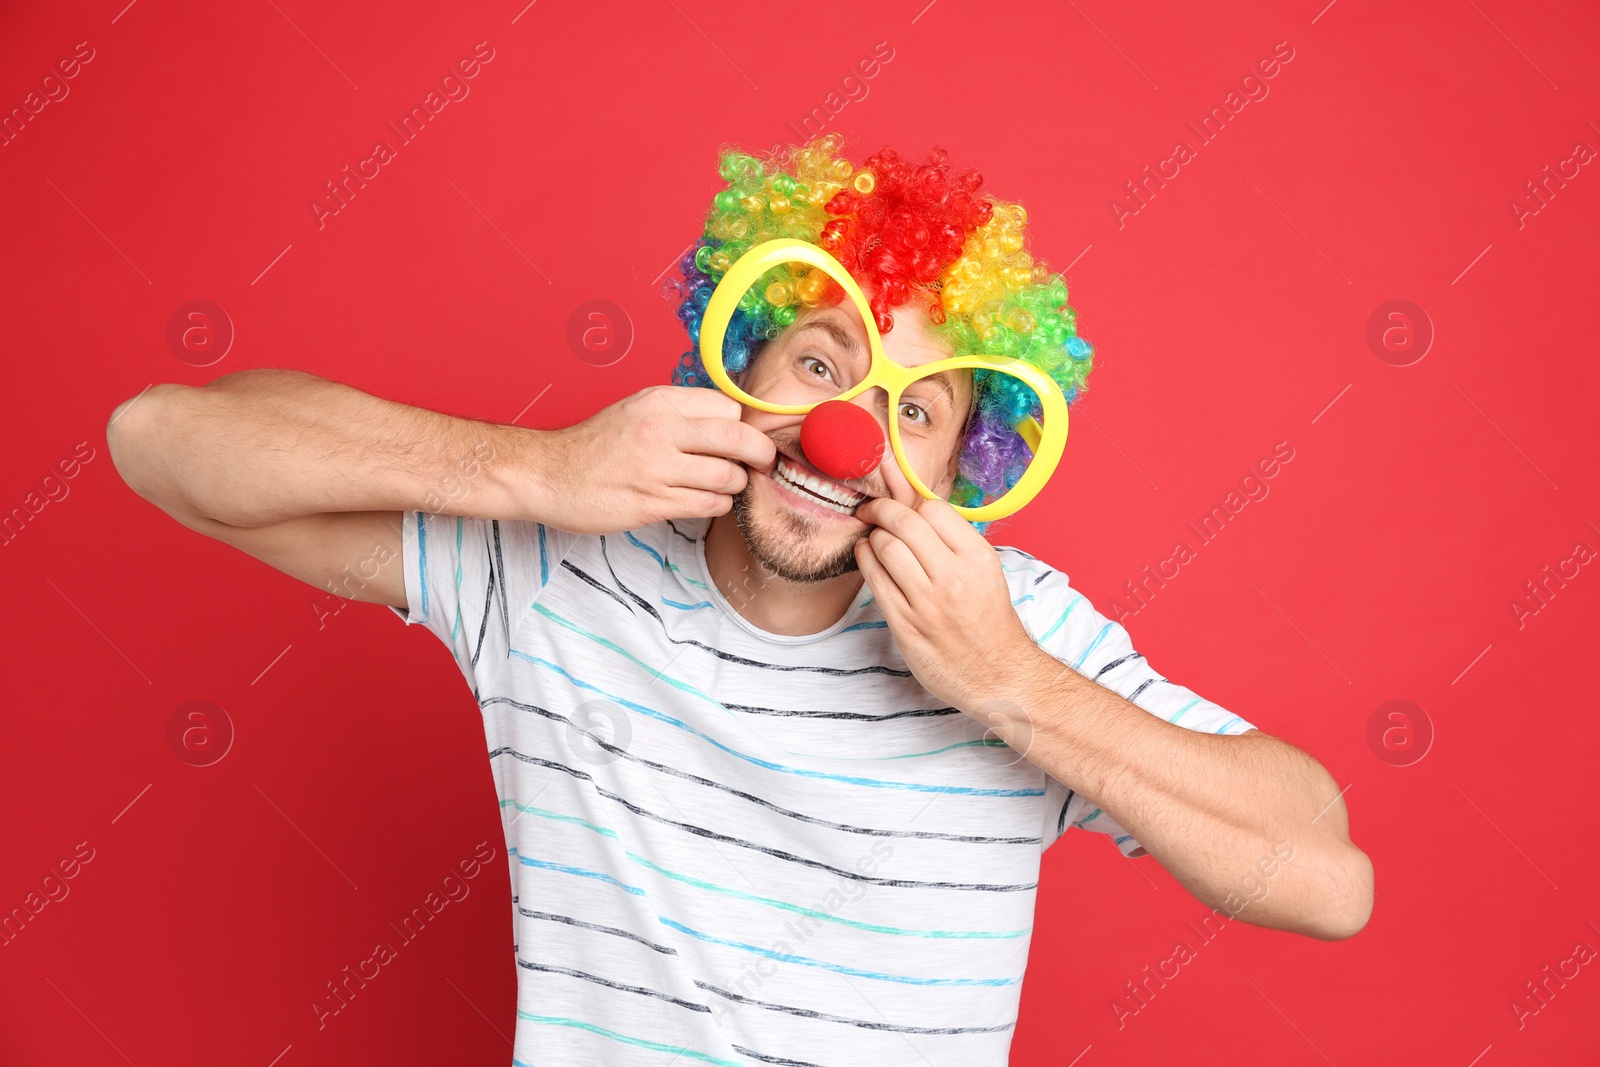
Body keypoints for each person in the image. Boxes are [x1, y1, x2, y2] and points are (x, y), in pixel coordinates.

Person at [107, 136, 1372, 1065]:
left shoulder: (1010, 623)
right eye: (821, 361)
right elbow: (164, 438)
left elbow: (1325, 874)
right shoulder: (554, 568)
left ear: (956, 473)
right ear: (740, 361)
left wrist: (1012, 685)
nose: (843, 433)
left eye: (914, 411)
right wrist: (536, 468)